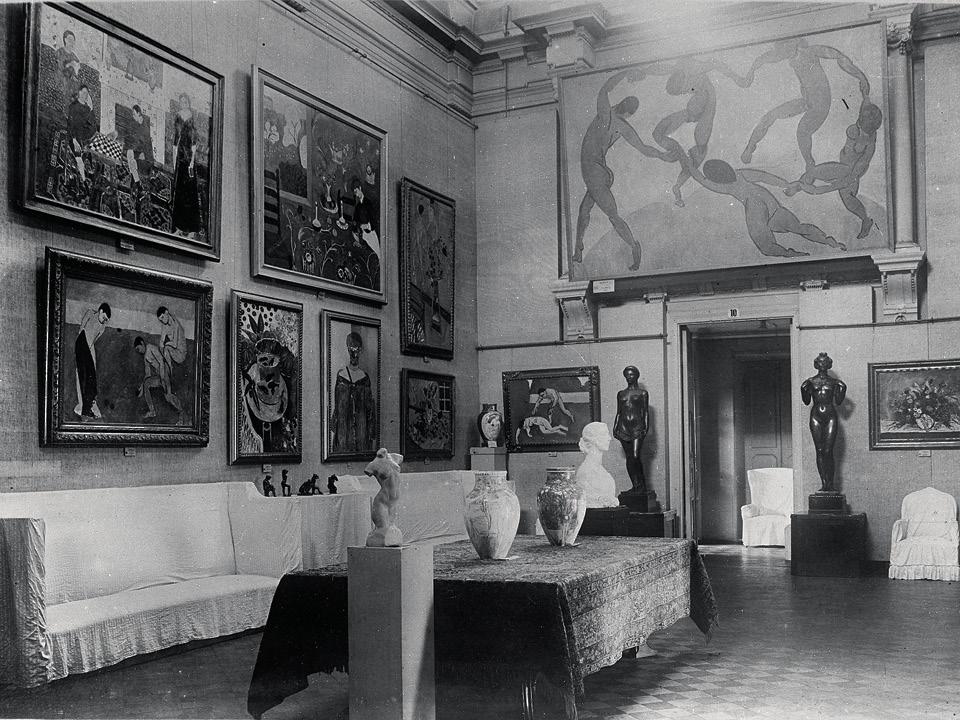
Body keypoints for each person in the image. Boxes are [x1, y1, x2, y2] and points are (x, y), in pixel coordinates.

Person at [572, 68, 672, 270]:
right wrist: (662, 155)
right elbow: (644, 148)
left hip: (595, 172)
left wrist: (625, 73)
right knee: (584, 210)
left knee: (611, 215)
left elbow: (605, 89)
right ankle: (578, 249)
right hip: (598, 171)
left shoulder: (606, 114)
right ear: (629, 113)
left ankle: (634, 246)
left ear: (621, 105)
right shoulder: (620, 124)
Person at [739, 38, 872, 171]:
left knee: (802, 131)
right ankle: (750, 147)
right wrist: (751, 72)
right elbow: (764, 59)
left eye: (786, 47)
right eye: (781, 50)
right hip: (807, 101)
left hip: (820, 105)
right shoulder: (787, 54)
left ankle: (810, 164)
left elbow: (839, 56)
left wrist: (861, 77)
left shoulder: (810, 51)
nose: (783, 53)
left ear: (794, 42)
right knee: (771, 116)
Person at [638, 56, 750, 207]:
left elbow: (716, 63)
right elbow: (659, 69)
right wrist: (643, 71)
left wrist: (737, 78)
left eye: (681, 91)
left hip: (706, 106)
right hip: (696, 106)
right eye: (680, 93)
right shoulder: (677, 69)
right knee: (659, 134)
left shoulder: (695, 69)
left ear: (683, 80)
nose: (683, 93)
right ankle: (678, 158)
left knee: (700, 147)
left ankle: (678, 183)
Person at [682, 156, 842, 257]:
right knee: (797, 228)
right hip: (768, 201)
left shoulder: (727, 184)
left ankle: (792, 254)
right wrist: (785, 184)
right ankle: (827, 242)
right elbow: (763, 177)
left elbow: (702, 179)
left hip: (756, 207)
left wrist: (689, 164)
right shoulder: (739, 175)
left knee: (766, 246)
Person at [784, 101, 882, 239]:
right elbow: (864, 109)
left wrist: (848, 180)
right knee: (817, 174)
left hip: (848, 172)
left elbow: (862, 164)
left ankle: (866, 220)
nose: (859, 120)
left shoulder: (868, 143)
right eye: (861, 117)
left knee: (847, 200)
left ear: (869, 126)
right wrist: (865, 95)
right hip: (844, 168)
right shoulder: (862, 128)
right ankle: (799, 186)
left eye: (862, 119)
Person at [800, 352, 847, 493]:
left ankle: (830, 484)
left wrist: (842, 390)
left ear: (829, 364)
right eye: (820, 362)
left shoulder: (834, 382)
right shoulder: (810, 382)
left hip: (830, 415)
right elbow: (806, 401)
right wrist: (803, 390)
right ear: (816, 364)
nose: (822, 364)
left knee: (828, 450)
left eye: (825, 362)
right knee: (819, 450)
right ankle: (824, 484)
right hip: (816, 416)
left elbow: (839, 402)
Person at [331, 331, 376, 454]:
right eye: (351, 349)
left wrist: (371, 431)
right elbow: (337, 406)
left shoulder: (364, 378)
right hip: (344, 432)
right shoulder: (341, 376)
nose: (354, 353)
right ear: (347, 349)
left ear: (360, 350)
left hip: (361, 432)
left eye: (357, 349)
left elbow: (370, 409)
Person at [613, 365, 648, 494]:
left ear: (637, 376)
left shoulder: (642, 393)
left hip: (637, 427)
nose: (629, 377)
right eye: (627, 375)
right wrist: (615, 427)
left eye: (631, 375)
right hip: (623, 427)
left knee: (635, 456)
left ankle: (642, 486)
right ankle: (635, 486)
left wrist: (646, 427)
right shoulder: (621, 394)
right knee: (629, 458)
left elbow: (645, 412)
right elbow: (618, 412)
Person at [133, 336, 185, 422]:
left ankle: (181, 414)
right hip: (160, 376)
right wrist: (142, 387)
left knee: (168, 397)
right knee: (146, 384)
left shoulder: (150, 348)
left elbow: (161, 361)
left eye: (139, 349)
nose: (139, 351)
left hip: (164, 372)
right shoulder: (145, 357)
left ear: (142, 343)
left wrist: (162, 378)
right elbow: (148, 374)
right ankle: (152, 411)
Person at [172, 93, 202, 238]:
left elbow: (194, 144)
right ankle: (179, 227)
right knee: (179, 194)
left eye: (185, 101)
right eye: (181, 101)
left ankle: (192, 229)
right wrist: (174, 162)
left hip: (189, 160)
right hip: (180, 159)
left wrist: (191, 162)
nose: (183, 104)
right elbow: (175, 141)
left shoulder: (192, 119)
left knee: (190, 195)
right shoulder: (178, 117)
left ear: (188, 103)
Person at [74, 302, 111, 420]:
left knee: (91, 379)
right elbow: (82, 328)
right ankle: (85, 409)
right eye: (104, 317)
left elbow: (95, 339)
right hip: (81, 343)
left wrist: (89, 349)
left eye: (106, 320)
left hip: (88, 348)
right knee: (84, 376)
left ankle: (87, 408)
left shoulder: (102, 327)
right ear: (100, 311)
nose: (104, 320)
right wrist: (82, 344)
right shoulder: (90, 313)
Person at [575, 422, 619, 508]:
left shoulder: (599, 468)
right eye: (605, 434)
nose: (609, 438)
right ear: (594, 439)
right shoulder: (586, 471)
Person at [124, 104, 153, 186]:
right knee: (129, 153)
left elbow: (146, 145)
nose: (133, 116)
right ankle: (135, 180)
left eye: (134, 114)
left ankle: (136, 182)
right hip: (138, 150)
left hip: (146, 157)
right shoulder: (137, 123)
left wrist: (142, 154)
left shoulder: (145, 128)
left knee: (131, 159)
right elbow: (133, 138)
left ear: (139, 113)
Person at [156, 306, 187, 371]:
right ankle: (167, 369)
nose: (162, 321)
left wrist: (166, 344)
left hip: (181, 353)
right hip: (173, 350)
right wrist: (162, 350)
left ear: (166, 312)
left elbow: (175, 345)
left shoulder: (176, 324)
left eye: (162, 317)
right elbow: (161, 342)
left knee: (166, 348)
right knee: (163, 351)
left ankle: (170, 369)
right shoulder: (164, 325)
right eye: (161, 320)